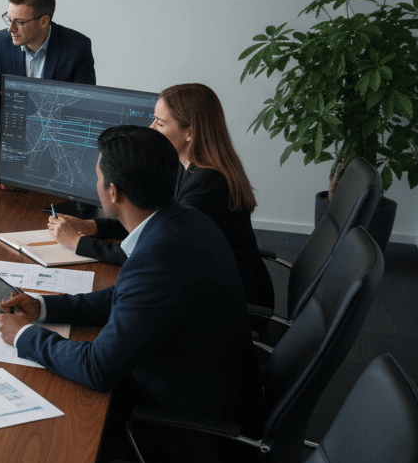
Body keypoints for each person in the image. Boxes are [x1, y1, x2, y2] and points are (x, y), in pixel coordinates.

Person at [0, 125, 260, 431]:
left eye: (98, 177)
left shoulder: (156, 260)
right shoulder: (186, 219)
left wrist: (23, 335)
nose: (96, 183)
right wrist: (44, 307)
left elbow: (97, 367)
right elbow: (124, 295)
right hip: (216, 382)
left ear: (114, 191)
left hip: (194, 422)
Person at [48, 83, 275, 309]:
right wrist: (92, 227)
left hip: (240, 304)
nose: (151, 128)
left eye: (160, 122)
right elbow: (149, 219)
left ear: (189, 132)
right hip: (208, 282)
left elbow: (152, 249)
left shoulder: (207, 185)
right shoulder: (184, 167)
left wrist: (79, 243)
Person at [0, 0, 95, 84]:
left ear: (43, 21)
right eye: (9, 19)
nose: (10, 29)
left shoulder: (77, 47)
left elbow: (84, 102)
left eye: (19, 22)